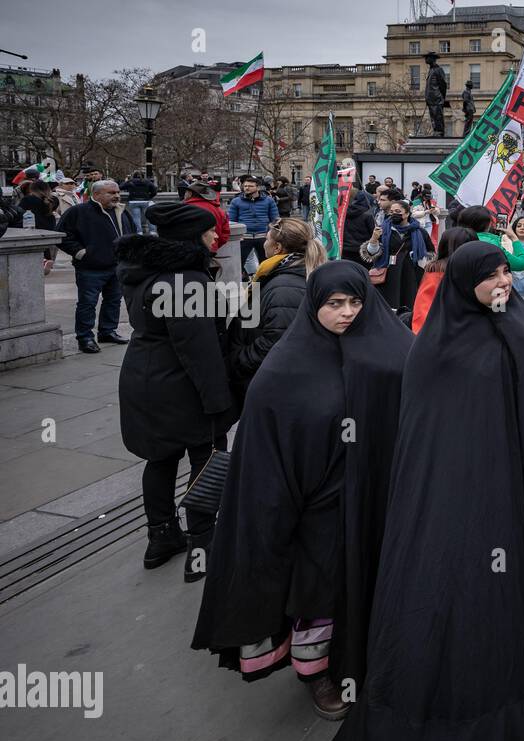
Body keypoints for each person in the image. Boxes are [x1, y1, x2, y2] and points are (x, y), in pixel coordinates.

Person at [316, 242, 524, 741]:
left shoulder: (502, 328)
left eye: (508, 271)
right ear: (463, 282)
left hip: (497, 493)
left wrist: (509, 311)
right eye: (492, 275)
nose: (504, 281)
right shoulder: (433, 349)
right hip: (444, 508)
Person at [193, 261, 411, 718]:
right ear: (315, 306)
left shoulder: (390, 352)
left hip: (374, 498)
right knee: (319, 594)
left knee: (369, 582)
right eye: (334, 304)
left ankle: (369, 656)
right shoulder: (283, 370)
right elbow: (264, 448)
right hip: (314, 509)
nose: (347, 313)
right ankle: (318, 674)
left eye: (355, 302)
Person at [116, 202, 230, 581]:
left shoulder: (145, 271)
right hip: (180, 383)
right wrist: (218, 403)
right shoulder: (186, 282)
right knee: (207, 457)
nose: (217, 236)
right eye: (210, 231)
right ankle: (203, 544)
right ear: (192, 237)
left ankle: (160, 537)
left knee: (160, 459)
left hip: (142, 377)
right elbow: (199, 351)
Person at [225, 217, 325, 414]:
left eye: (267, 238)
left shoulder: (284, 287)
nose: (264, 242)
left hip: (272, 383)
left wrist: (239, 359)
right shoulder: (283, 274)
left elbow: (278, 341)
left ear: (277, 247)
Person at [56, 179, 137, 354]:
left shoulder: (122, 211)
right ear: (97, 194)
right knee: (87, 304)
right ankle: (85, 338)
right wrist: (81, 253)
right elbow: (62, 236)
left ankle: (107, 331)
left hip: (118, 266)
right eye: (111, 193)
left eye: (117, 192)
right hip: (90, 268)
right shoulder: (78, 212)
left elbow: (132, 233)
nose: (116, 196)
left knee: (114, 301)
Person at [359, 198, 432, 316]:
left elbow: (430, 252)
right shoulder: (382, 230)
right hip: (388, 274)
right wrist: (373, 239)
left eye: (398, 211)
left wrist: (420, 258)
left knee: (410, 304)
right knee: (388, 307)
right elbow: (371, 254)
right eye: (391, 212)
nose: (394, 214)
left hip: (412, 274)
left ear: (407, 213)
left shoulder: (420, 232)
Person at [411, 225, 477, 333]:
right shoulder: (481, 271)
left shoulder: (435, 273)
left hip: (445, 335)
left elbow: (422, 312)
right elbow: (498, 306)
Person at [227, 175, 280, 276]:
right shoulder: (236, 201)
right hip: (244, 237)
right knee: (238, 264)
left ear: (258, 187)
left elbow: (275, 219)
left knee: (267, 265)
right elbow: (231, 221)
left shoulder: (268, 200)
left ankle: (264, 287)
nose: (246, 188)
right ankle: (241, 284)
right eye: (245, 186)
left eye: (250, 186)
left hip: (263, 237)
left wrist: (272, 233)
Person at [18, 180, 58, 273]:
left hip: (33, 224)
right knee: (45, 245)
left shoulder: (28, 199)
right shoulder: (53, 200)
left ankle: (43, 261)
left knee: (33, 246)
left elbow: (19, 212)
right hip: (49, 225)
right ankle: (47, 260)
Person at [340, 183, 377, 265]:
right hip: (363, 250)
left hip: (345, 249)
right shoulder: (368, 215)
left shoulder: (342, 213)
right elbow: (373, 233)